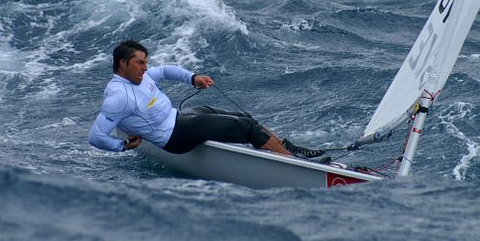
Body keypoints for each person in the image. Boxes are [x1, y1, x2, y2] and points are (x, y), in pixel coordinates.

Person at [88, 40, 325, 158]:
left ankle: (287, 148)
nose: (145, 67)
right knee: (245, 127)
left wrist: (193, 78)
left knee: (244, 116)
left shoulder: (143, 76)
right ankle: (292, 161)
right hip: (175, 138)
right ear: (123, 63)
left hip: (180, 118)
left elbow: (166, 70)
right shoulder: (118, 96)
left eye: (146, 61)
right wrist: (122, 145)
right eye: (140, 62)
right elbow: (96, 136)